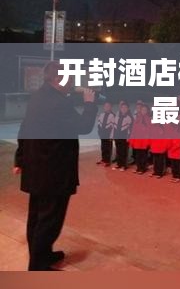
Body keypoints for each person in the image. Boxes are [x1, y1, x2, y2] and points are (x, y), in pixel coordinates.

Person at [13, 61, 97, 271]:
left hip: (36, 170)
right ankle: (38, 267)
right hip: (53, 173)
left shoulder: (38, 97)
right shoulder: (59, 103)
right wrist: (90, 103)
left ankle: (42, 255)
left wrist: (20, 159)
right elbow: (84, 126)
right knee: (49, 220)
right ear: (59, 79)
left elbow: (24, 128)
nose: (72, 82)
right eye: (70, 78)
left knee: (36, 217)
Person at [112, 102, 133, 170]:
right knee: (118, 151)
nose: (123, 109)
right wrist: (113, 136)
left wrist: (128, 138)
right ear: (120, 108)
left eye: (125, 108)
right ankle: (119, 164)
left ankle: (124, 166)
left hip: (125, 137)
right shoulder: (117, 117)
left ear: (128, 109)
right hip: (117, 137)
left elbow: (130, 129)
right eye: (122, 107)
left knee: (124, 152)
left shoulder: (129, 118)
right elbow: (114, 127)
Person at [96, 101, 115, 166]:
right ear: (104, 107)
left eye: (108, 106)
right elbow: (99, 124)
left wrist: (111, 136)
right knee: (103, 147)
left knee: (108, 148)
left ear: (111, 107)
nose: (107, 107)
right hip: (102, 134)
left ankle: (107, 161)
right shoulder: (102, 114)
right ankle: (103, 159)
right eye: (105, 106)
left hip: (108, 135)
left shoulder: (112, 115)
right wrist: (99, 132)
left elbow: (113, 127)